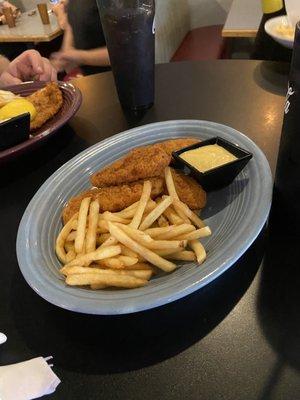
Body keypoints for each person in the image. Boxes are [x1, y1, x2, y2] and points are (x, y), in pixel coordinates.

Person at [51, 0, 110, 76]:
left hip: (112, 78)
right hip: (89, 75)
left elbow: (123, 51)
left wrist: (79, 56)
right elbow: (71, 22)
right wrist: (65, 52)